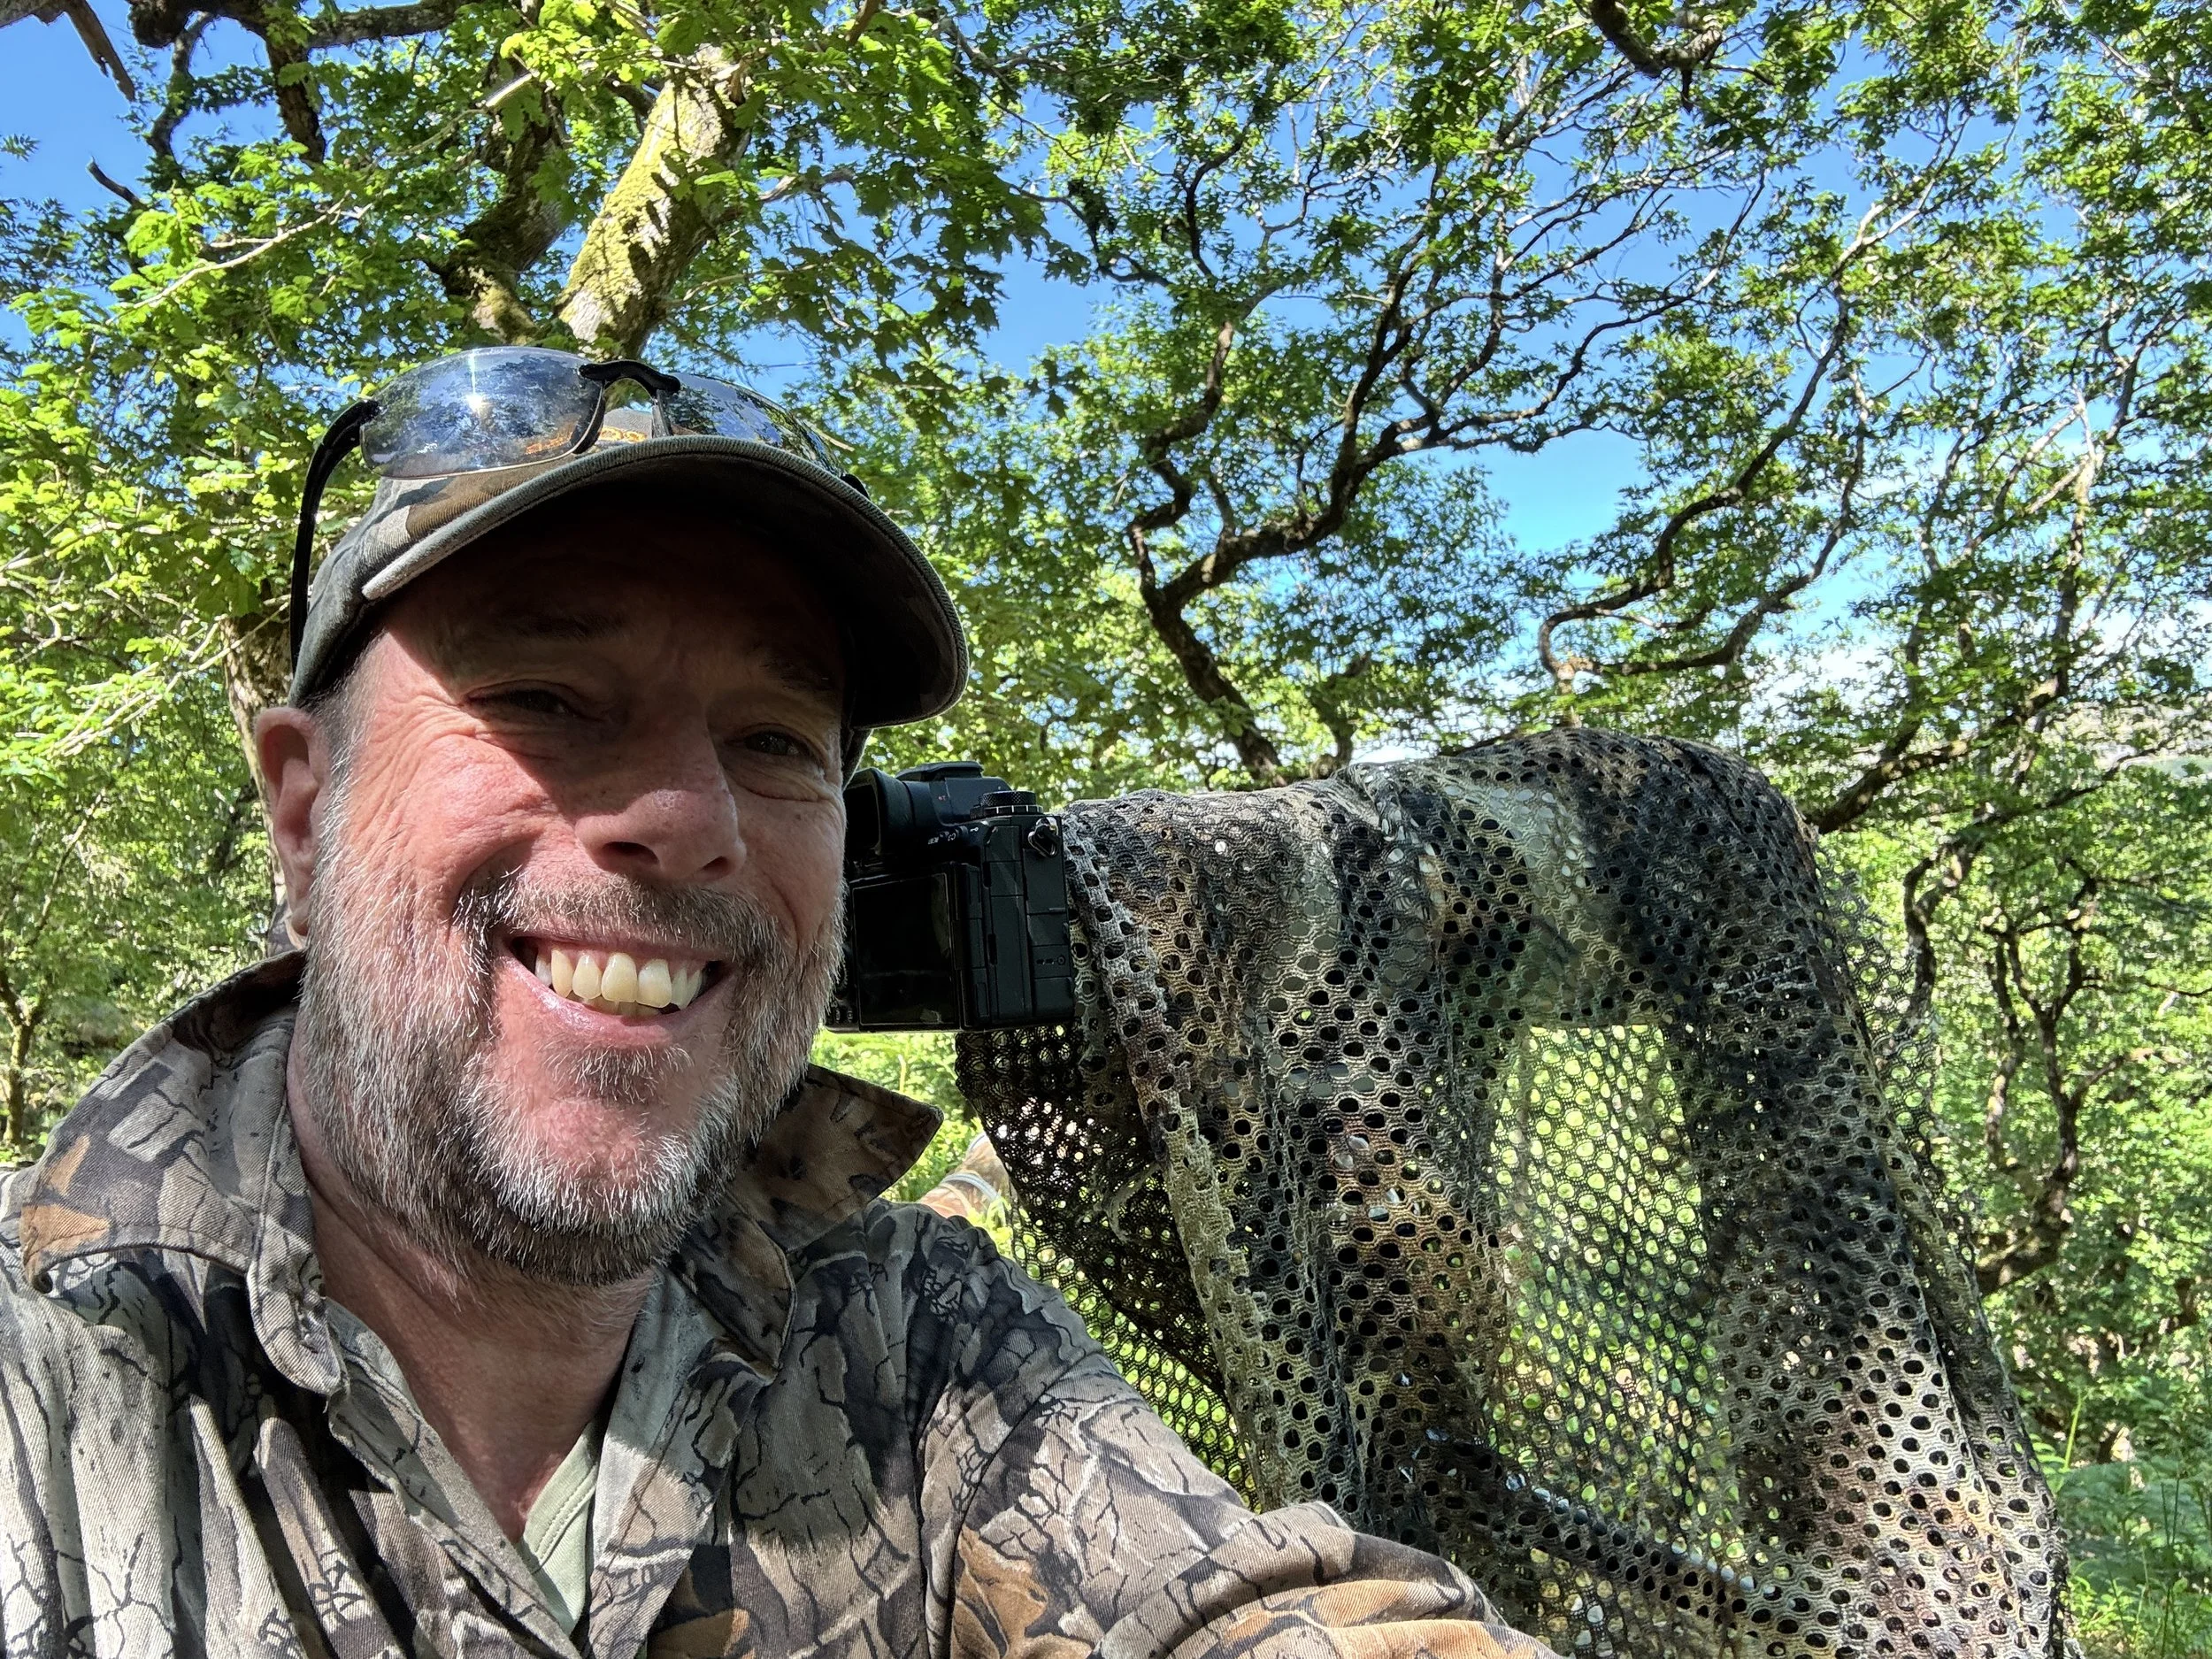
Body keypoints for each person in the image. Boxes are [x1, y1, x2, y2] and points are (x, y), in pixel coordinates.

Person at [0, 349, 1555, 1657]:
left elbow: (1250, 1615)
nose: (689, 814)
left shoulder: (908, 1333)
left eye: (775, 737)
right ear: (300, 809)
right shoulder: (53, 1377)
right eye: (546, 699)